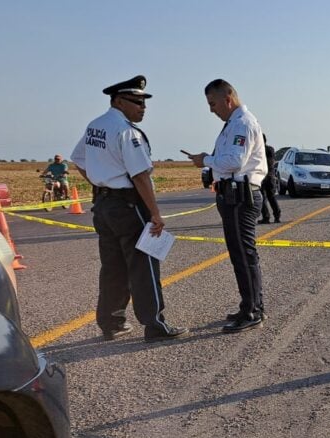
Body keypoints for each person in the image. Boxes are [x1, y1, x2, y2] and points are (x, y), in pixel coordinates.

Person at [70, 75, 189, 342]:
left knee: (112, 267)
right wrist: (156, 214)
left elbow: (78, 159)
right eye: (137, 102)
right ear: (119, 101)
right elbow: (140, 176)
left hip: (103, 205)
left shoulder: (95, 126)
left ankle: (112, 323)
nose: (142, 107)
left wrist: (101, 184)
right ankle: (155, 325)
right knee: (143, 265)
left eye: (144, 103)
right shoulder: (126, 131)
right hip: (128, 204)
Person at [185, 79, 267, 333]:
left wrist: (205, 160)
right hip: (232, 196)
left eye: (213, 104)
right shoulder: (233, 124)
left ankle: (253, 311)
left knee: (244, 256)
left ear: (227, 99)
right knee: (240, 256)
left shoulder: (242, 123)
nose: (211, 110)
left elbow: (234, 161)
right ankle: (250, 305)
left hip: (241, 197)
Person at [259, 133, 281, 224]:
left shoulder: (257, 150)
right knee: (271, 197)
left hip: (261, 176)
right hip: (271, 176)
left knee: (262, 198)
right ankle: (277, 216)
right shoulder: (270, 149)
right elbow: (271, 162)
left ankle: (266, 217)